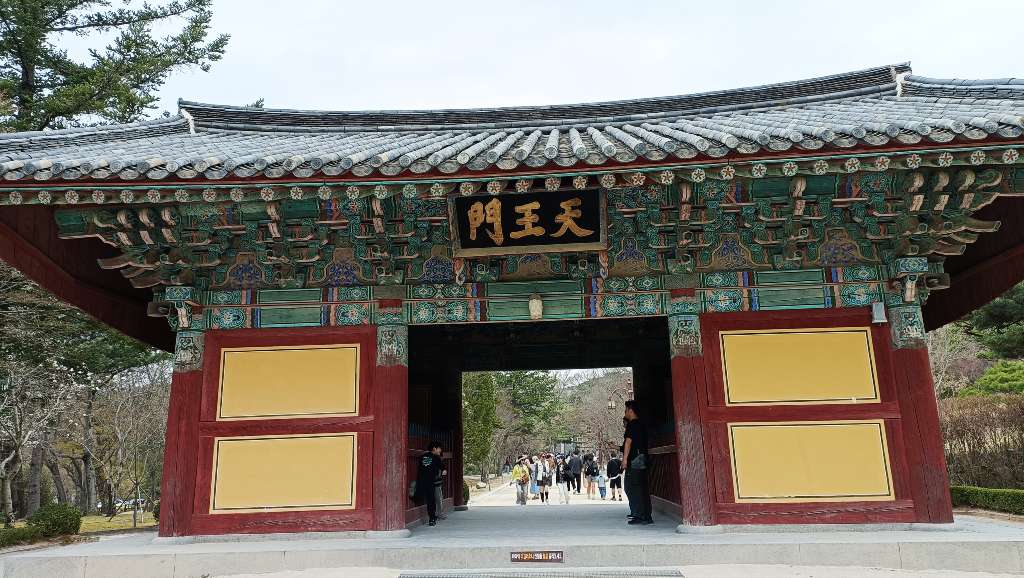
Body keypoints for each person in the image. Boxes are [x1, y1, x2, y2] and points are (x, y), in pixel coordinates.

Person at [623, 400, 653, 525]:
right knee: (643, 487)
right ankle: (646, 515)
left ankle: (639, 515)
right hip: (643, 458)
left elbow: (628, 442)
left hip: (635, 460)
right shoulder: (642, 424)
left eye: (625, 410)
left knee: (633, 487)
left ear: (630, 410)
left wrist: (624, 459)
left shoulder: (632, 424)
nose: (625, 413)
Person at [416, 441, 447, 526]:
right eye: (439, 448)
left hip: (423, 481)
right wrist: (444, 470)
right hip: (433, 482)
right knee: (432, 500)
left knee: (429, 500)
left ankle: (432, 518)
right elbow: (442, 467)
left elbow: (420, 470)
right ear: (434, 448)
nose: (440, 450)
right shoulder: (436, 457)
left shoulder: (422, 457)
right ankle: (432, 518)